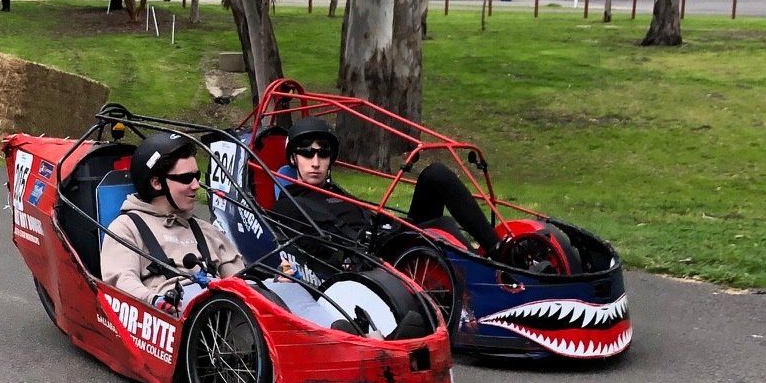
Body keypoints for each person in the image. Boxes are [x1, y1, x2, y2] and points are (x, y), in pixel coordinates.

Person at [98, 133, 356, 328]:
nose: (196, 186)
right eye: (185, 179)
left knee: (290, 289)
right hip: (178, 308)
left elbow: (239, 278)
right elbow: (121, 281)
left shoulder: (204, 229)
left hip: (224, 301)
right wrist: (154, 299)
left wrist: (272, 282)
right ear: (156, 183)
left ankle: (341, 335)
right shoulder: (126, 228)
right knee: (220, 302)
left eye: (196, 176)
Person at [270, 116, 506, 263]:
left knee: (435, 175)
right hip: (371, 262)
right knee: (440, 229)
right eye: (307, 153)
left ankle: (499, 251)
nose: (315, 162)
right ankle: (489, 272)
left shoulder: (335, 191)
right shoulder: (287, 205)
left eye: (323, 153)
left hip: (388, 239)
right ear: (293, 158)